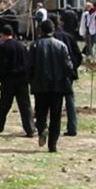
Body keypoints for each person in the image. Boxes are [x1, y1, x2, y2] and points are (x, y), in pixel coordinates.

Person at [28, 20, 76, 152]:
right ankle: (53, 145)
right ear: (53, 30)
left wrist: (30, 80)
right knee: (56, 115)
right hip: (58, 86)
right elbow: (69, 66)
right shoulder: (61, 46)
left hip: (40, 86)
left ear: (41, 31)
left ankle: (42, 128)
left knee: (41, 112)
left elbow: (29, 66)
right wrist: (69, 77)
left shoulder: (34, 46)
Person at [0, 28, 33, 136]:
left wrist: (0, 77)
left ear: (3, 34)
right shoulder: (22, 46)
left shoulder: (3, 47)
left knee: (4, 105)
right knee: (25, 105)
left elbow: (0, 64)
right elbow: (28, 62)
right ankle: (30, 128)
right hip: (22, 80)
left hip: (8, 80)